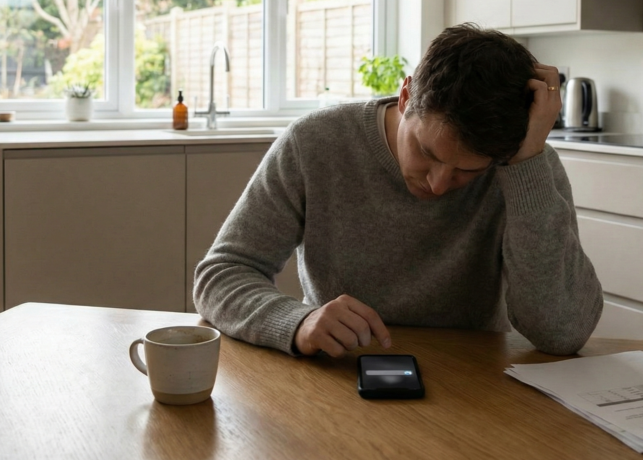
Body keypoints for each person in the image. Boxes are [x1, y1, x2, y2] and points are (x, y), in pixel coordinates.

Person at [194, 23, 602, 357]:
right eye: (426, 152)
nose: (438, 183)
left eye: (468, 171)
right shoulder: (314, 143)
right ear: (406, 97)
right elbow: (221, 275)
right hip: (337, 371)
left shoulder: (523, 165)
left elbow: (562, 332)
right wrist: (297, 322)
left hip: (474, 380)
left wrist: (527, 166)